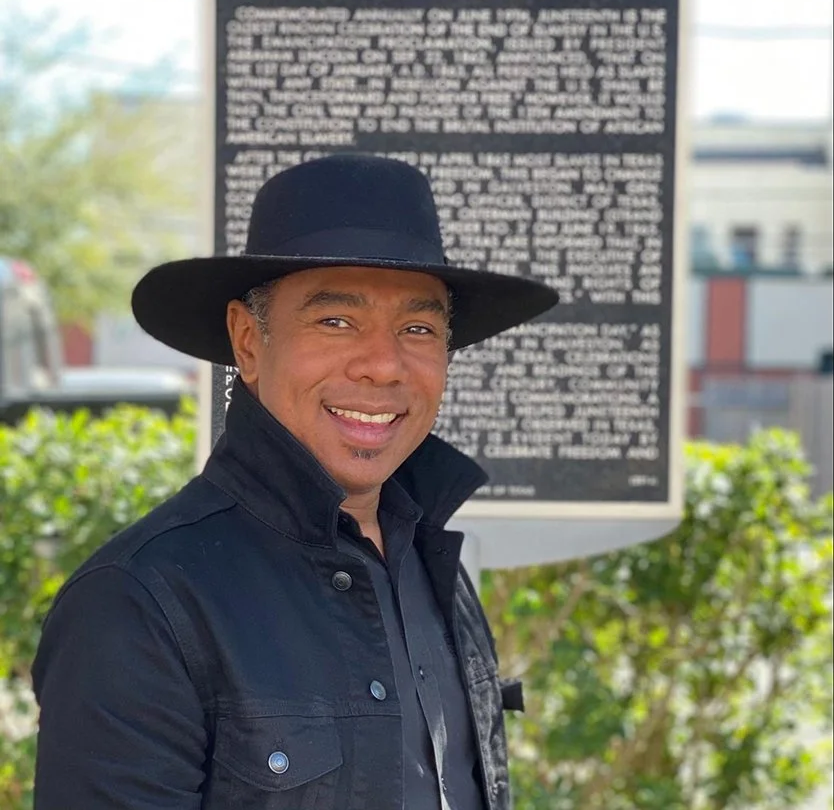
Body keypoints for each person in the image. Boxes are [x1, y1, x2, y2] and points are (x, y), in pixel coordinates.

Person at [32, 153, 559, 810]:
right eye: (335, 321)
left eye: (418, 327)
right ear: (248, 342)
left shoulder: (431, 563)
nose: (383, 365)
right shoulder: (141, 602)